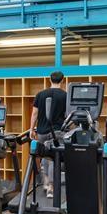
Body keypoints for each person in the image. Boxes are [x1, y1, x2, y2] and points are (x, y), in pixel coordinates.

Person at [30, 70, 67, 198]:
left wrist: (31, 129)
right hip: (57, 132)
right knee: (54, 159)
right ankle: (51, 187)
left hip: (42, 131)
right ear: (62, 80)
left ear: (49, 79)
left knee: (44, 157)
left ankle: (45, 183)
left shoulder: (40, 94)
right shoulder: (65, 95)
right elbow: (68, 115)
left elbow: (34, 113)